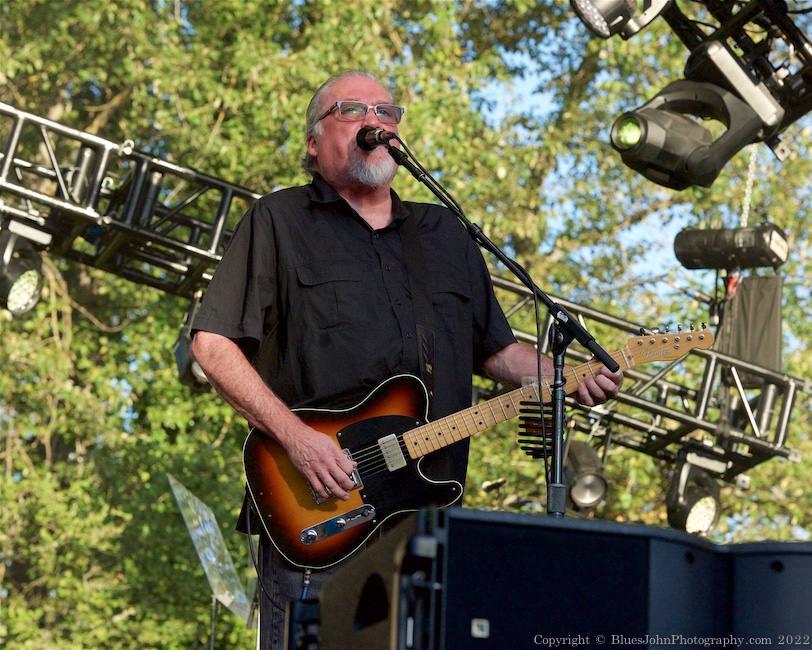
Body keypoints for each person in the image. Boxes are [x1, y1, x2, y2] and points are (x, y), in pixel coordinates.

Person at [190, 69, 624, 649]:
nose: (375, 121)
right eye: (353, 110)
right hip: (319, 515)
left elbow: (497, 351)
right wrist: (297, 439)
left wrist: (569, 377)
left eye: (387, 113)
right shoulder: (278, 221)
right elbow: (213, 344)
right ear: (315, 142)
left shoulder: (444, 232)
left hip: (427, 529)